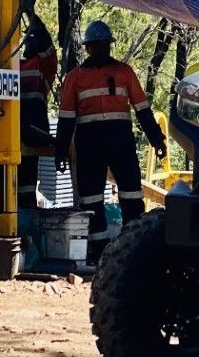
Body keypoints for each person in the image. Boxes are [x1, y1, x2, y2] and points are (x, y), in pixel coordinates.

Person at [56, 20, 166, 240]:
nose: (101, 50)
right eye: (96, 46)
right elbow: (66, 118)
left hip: (120, 140)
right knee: (91, 197)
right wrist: (60, 151)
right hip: (90, 142)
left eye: (104, 45)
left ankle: (134, 241)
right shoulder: (75, 78)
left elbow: (143, 110)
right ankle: (97, 247)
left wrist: (156, 139)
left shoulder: (124, 72)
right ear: (87, 48)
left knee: (132, 193)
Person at [16, 14, 58, 209]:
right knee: (12, 179)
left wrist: (32, 14)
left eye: (32, 39)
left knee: (27, 178)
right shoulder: (14, 64)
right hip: (12, 128)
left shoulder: (44, 66)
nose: (29, 43)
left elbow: (47, 45)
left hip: (34, 127)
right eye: (27, 39)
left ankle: (27, 213)